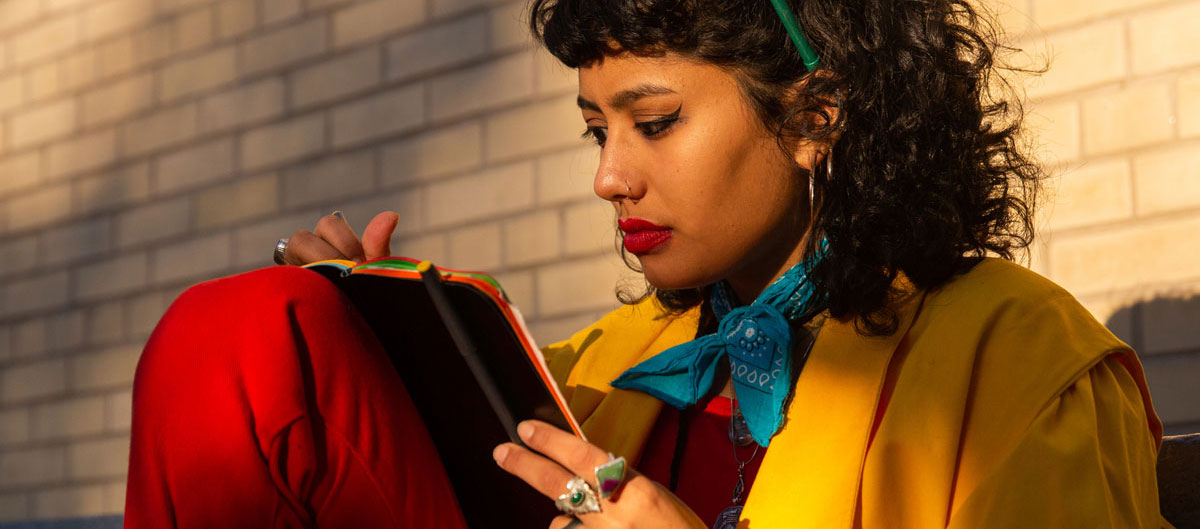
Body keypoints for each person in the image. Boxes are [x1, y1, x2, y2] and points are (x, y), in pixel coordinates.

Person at [125, 0, 1170, 527]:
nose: (609, 179)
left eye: (655, 122)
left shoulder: (1026, 361)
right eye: (597, 132)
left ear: (818, 116)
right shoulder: (613, 361)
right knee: (254, 331)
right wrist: (352, 336)